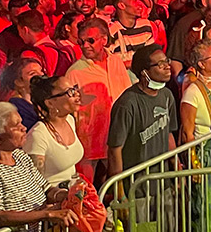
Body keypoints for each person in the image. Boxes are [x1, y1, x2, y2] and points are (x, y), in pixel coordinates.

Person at [0, 102, 77, 232]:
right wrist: (46, 214)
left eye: (21, 123)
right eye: (16, 126)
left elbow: (46, 189)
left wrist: (68, 196)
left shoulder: (20, 156)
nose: (24, 128)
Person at [65, 18, 132, 183]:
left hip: (118, 135)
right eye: (81, 42)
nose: (85, 45)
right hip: (90, 140)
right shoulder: (74, 73)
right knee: (85, 187)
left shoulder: (116, 61)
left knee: (118, 184)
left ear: (104, 40)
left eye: (90, 40)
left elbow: (126, 92)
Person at [108, 45, 177, 179]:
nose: (167, 66)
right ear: (144, 72)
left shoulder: (167, 95)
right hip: (137, 186)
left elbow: (169, 135)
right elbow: (115, 150)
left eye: (166, 61)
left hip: (163, 181)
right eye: (160, 64)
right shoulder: (127, 104)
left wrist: (177, 171)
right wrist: (119, 191)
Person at [25, 75, 84, 186]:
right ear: (50, 103)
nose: (77, 94)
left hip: (72, 193)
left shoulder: (70, 120)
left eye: (75, 88)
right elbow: (34, 182)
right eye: (69, 92)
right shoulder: (38, 135)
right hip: (52, 198)